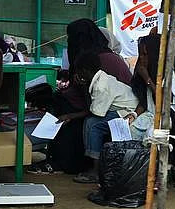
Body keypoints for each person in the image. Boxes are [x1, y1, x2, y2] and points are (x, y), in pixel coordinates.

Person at [50, 19, 132, 175]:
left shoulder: (98, 61)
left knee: (88, 121)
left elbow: (93, 107)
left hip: (118, 108)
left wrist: (70, 110)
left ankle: (86, 165)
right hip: (105, 104)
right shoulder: (95, 59)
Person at [68, 51, 145, 184]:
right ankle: (93, 161)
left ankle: (96, 169)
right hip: (121, 107)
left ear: (85, 71)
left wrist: (71, 115)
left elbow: (95, 112)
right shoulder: (100, 79)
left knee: (93, 125)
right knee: (90, 122)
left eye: (78, 71)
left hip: (127, 110)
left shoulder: (101, 86)